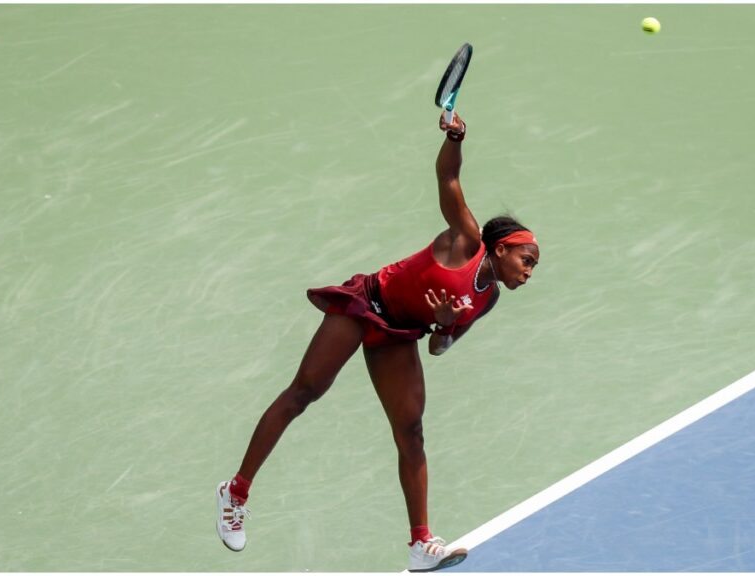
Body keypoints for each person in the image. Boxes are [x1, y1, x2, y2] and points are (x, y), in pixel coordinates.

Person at [216, 111, 540, 573]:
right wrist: (456, 137)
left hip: (398, 336)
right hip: (365, 304)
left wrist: (446, 325)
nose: (528, 273)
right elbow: (448, 176)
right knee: (302, 394)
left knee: (411, 433)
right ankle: (235, 492)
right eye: (527, 260)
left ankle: (420, 543)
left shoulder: (486, 302)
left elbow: (437, 348)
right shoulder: (468, 241)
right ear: (502, 248)